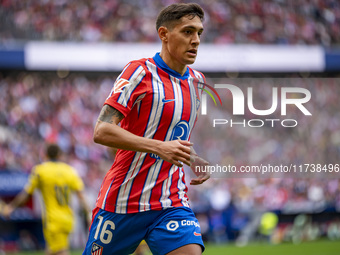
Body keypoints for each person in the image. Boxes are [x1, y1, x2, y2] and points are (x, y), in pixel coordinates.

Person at [83, 3, 210, 255]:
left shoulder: (198, 82)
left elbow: (172, 134)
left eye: (199, 33)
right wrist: (160, 148)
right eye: (187, 32)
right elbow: (102, 130)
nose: (195, 40)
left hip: (170, 200)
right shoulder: (139, 72)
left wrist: (192, 158)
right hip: (122, 202)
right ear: (164, 34)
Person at [2, 144, 90, 255]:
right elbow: (81, 195)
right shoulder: (70, 171)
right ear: (59, 155)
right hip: (68, 218)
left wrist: (11, 207)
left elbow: (27, 194)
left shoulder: (41, 170)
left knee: (61, 251)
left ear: (45, 155)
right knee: (52, 251)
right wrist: (88, 212)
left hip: (53, 220)